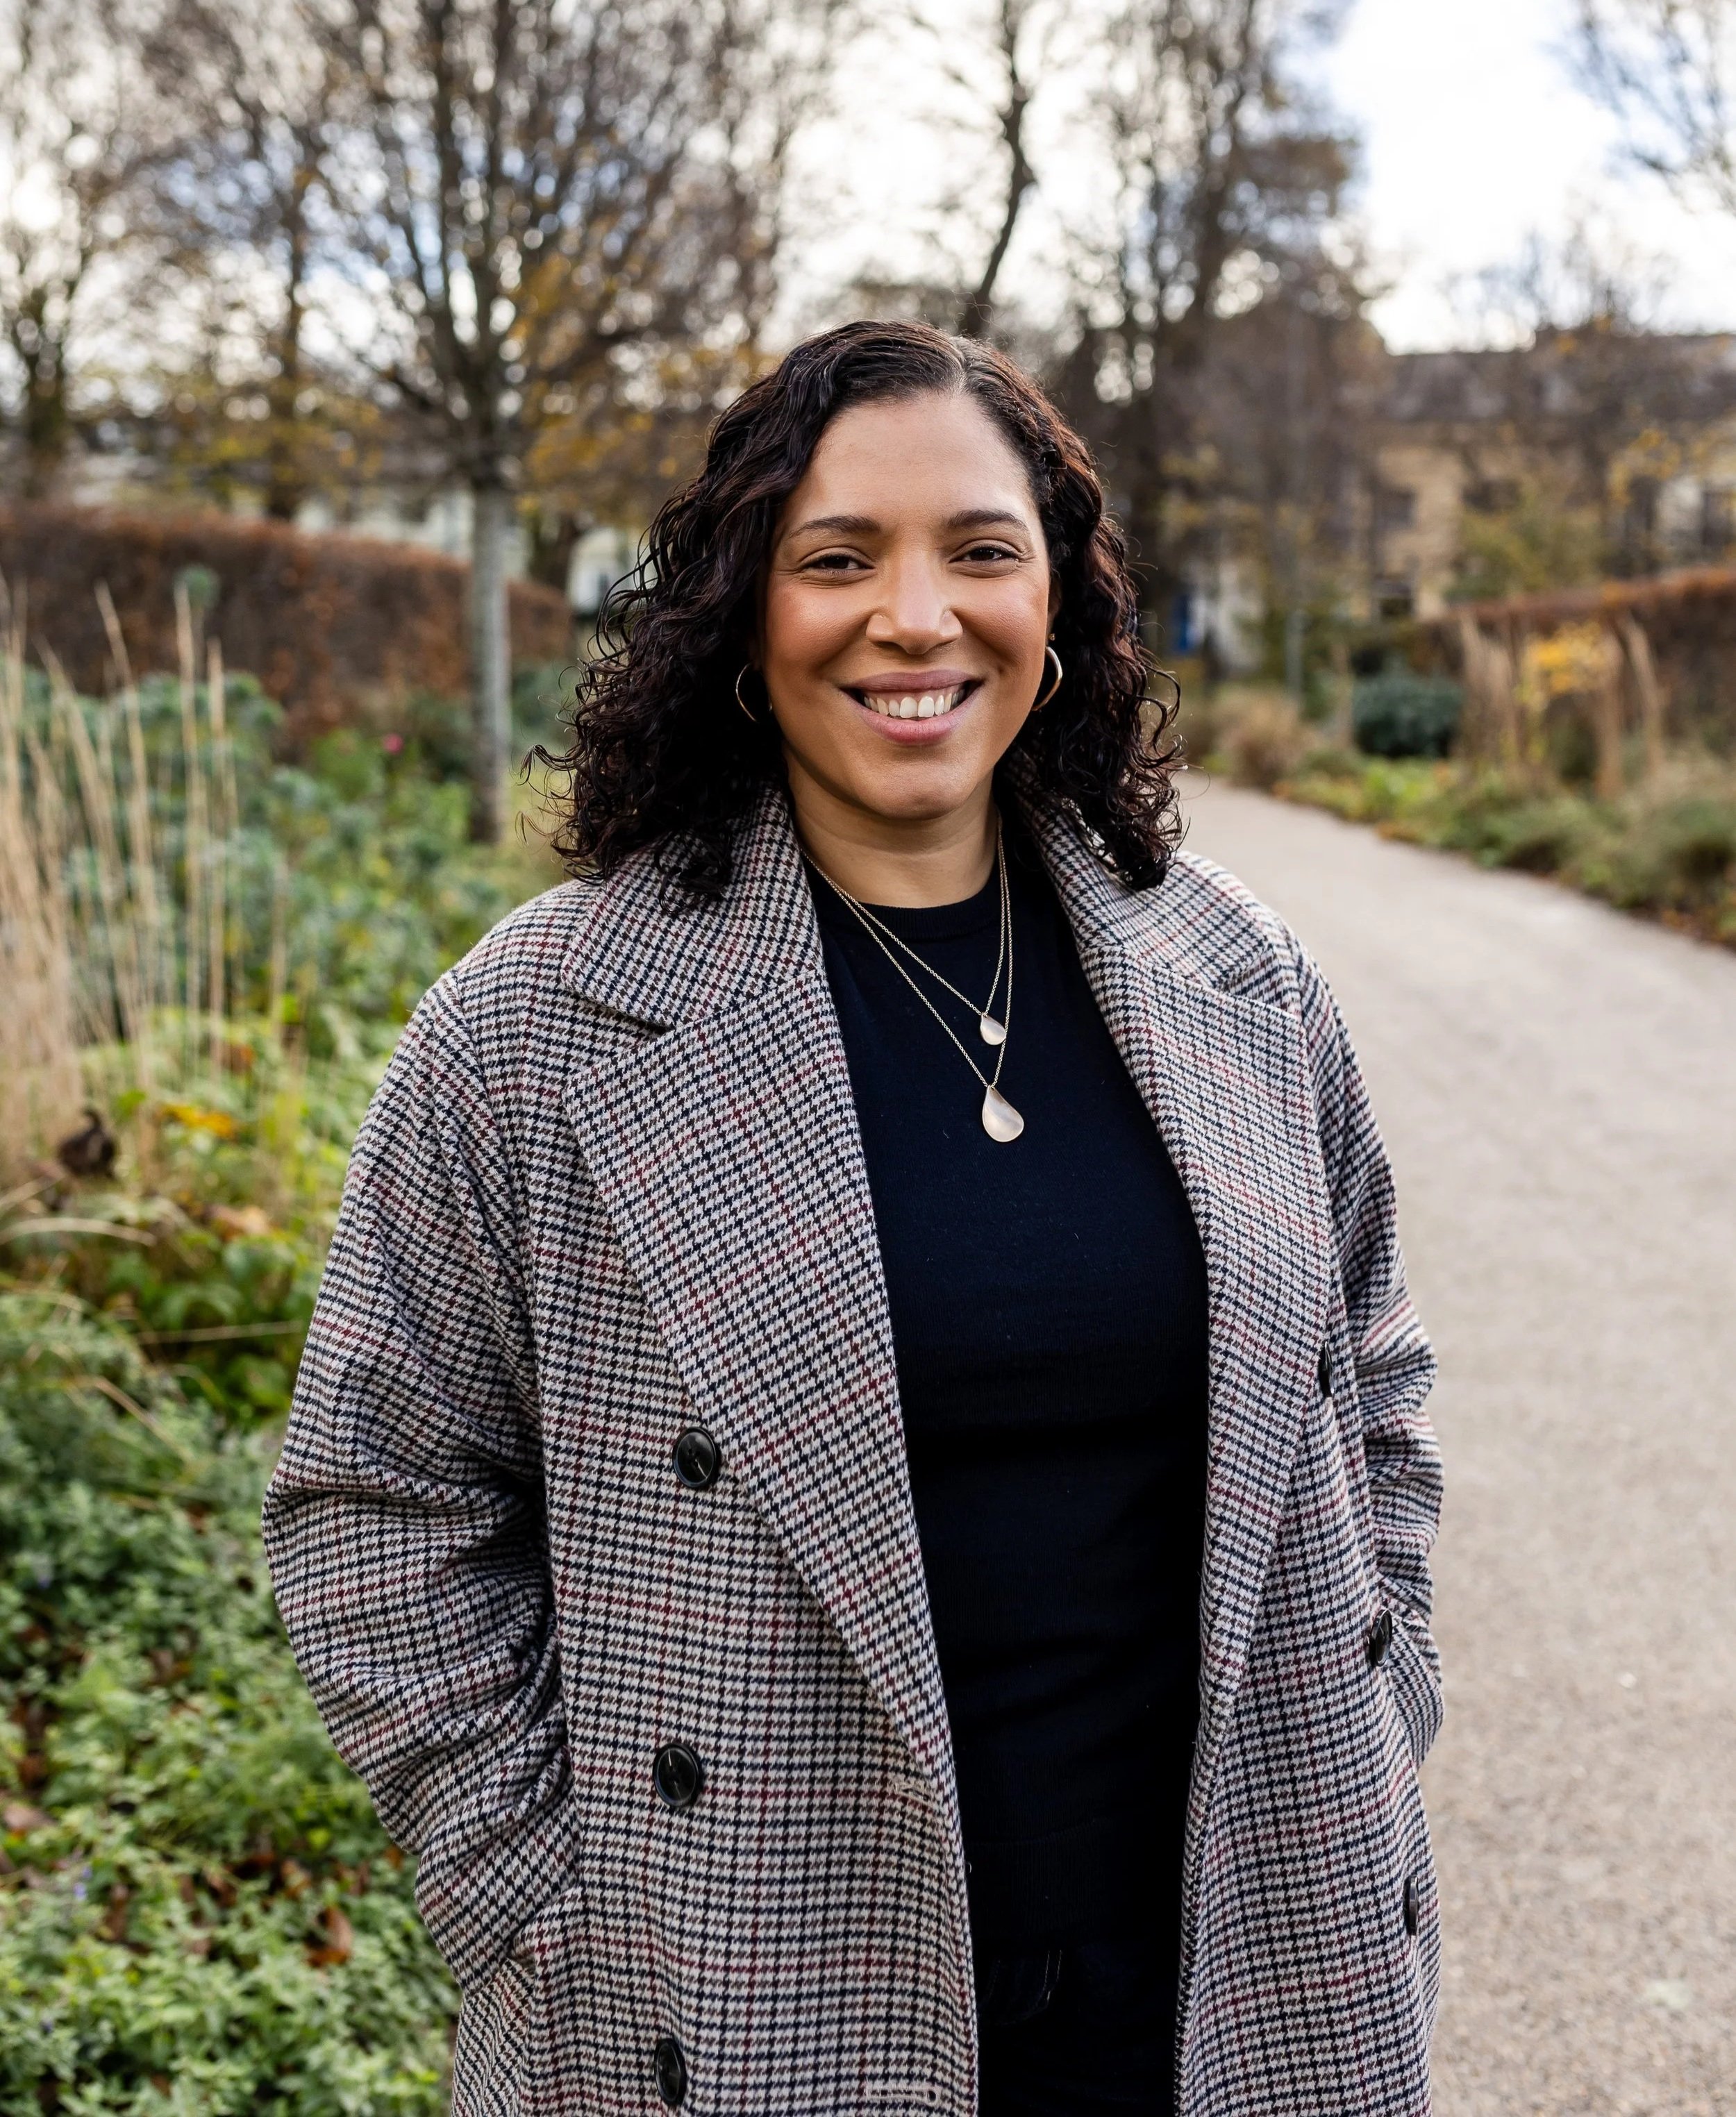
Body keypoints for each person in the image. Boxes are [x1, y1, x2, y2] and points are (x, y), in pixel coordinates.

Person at [264, 320, 1444, 2116]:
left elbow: (1369, 1374)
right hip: (740, 1992)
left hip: (1236, 1967)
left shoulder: (1232, 975)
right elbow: (378, 1498)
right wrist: (550, 1908)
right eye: (837, 559)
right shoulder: (534, 1032)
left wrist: (1377, 1693)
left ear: (1056, 604)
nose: (916, 616)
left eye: (980, 550)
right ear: (743, 612)